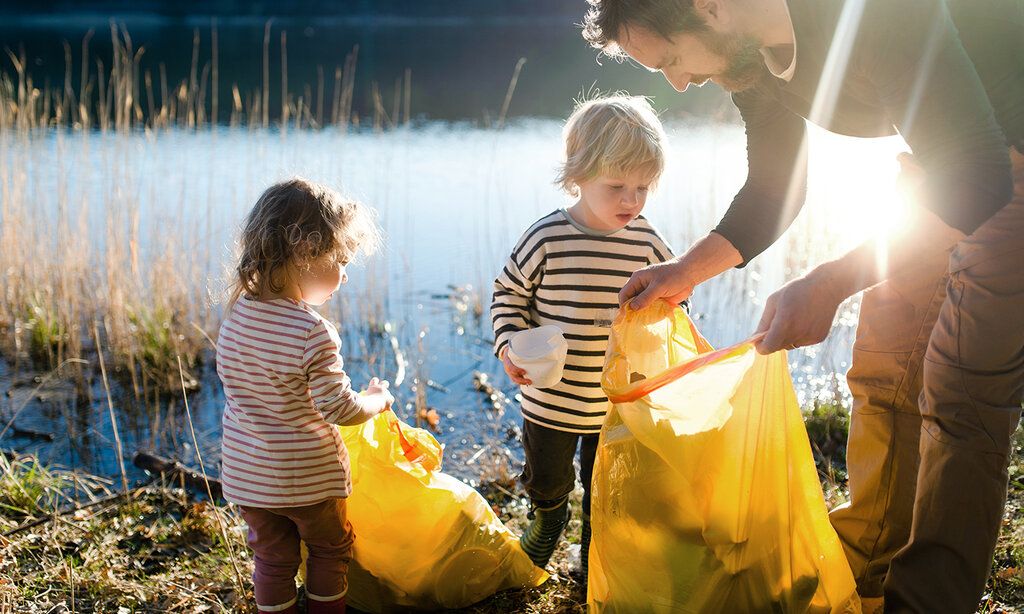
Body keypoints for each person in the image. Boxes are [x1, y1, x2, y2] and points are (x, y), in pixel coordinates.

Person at [580, 0, 1023, 611]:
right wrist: (686, 272)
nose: (679, 82)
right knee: (886, 361)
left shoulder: (874, 14)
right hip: (948, 157)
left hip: (1001, 155)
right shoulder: (745, 55)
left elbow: (980, 180)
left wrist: (831, 282)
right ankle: (860, 569)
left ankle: (926, 602)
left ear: (709, 6)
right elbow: (775, 184)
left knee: (959, 391)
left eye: (673, 59)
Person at [491, 94, 676, 583]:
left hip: (617, 404)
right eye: (617, 186)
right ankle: (550, 520)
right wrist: (509, 344)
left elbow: (674, 303)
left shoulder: (649, 243)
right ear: (577, 175)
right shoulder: (547, 237)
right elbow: (507, 296)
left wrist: (663, 320)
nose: (631, 201)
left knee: (607, 488)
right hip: (550, 398)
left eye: (642, 187)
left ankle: (595, 550)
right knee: (548, 479)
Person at [217, 178, 394, 614]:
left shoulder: (237, 313)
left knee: (272, 560)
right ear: (305, 255)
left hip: (248, 477)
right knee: (330, 551)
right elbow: (340, 408)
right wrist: (376, 400)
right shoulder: (312, 331)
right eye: (340, 260)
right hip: (308, 478)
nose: (345, 274)